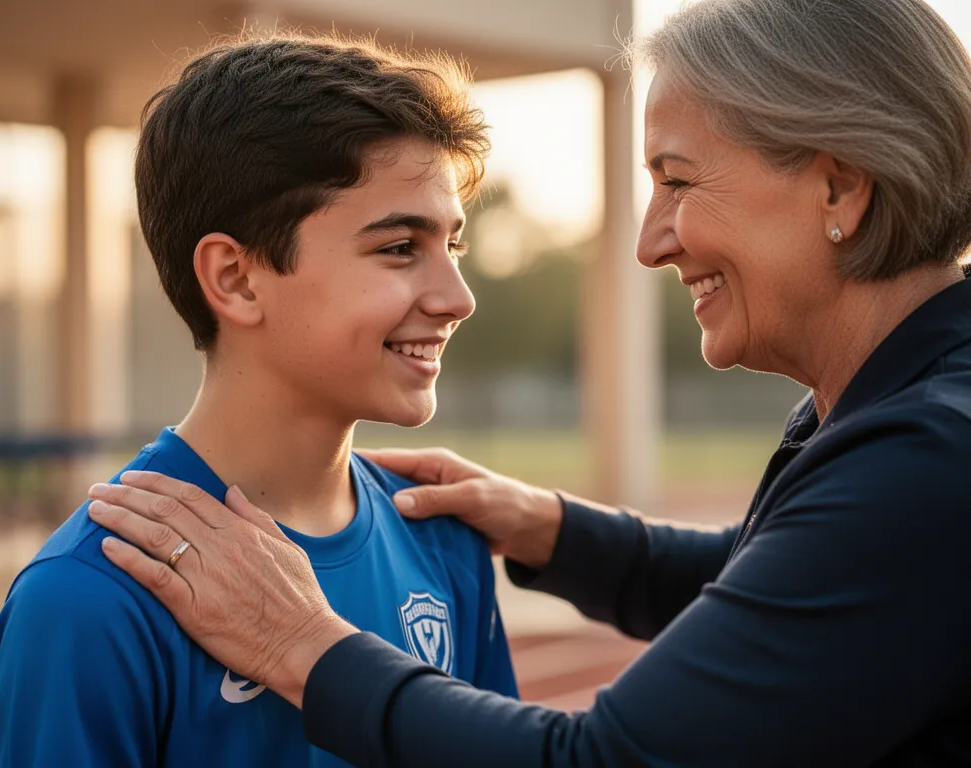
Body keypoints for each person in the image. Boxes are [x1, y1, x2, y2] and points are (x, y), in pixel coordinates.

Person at [86, 0, 971, 765]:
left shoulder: (926, 459)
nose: (650, 242)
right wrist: (551, 529)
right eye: (398, 247)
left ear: (839, 190)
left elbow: (605, 760)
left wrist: (302, 645)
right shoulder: (89, 599)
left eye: (677, 182)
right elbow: (796, 590)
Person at [0, 33, 519, 767]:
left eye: (452, 246)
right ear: (235, 279)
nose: (458, 298)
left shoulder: (446, 542)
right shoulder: (87, 599)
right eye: (399, 247)